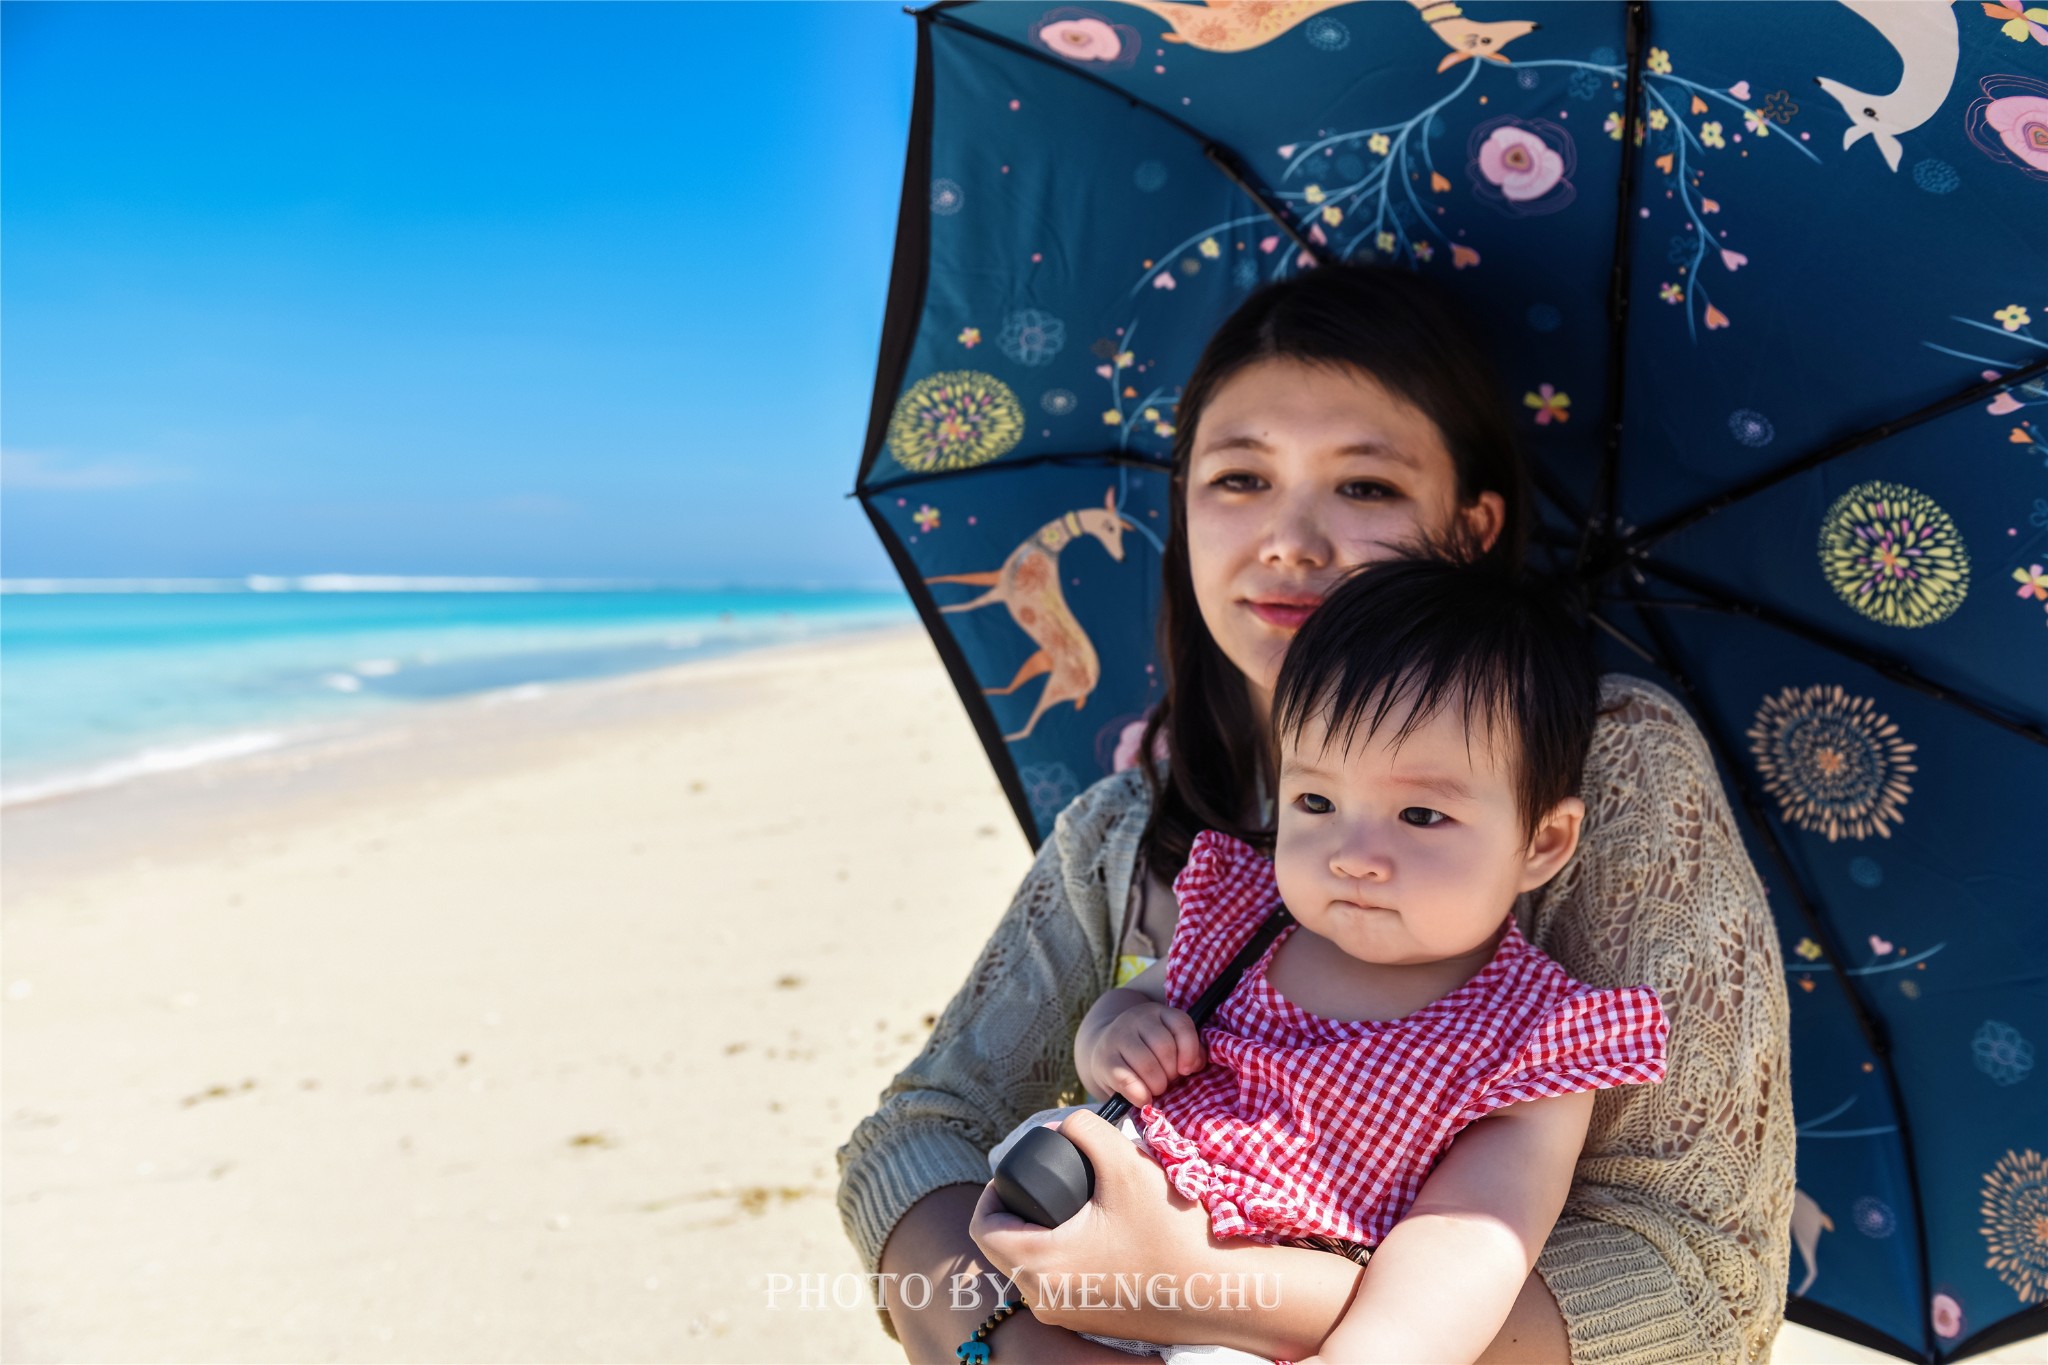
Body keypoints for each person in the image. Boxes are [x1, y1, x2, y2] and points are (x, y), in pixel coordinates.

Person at [837, 264, 1794, 1365]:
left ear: (1472, 528)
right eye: (1236, 479)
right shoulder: (1125, 826)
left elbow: (1704, 1279)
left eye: (1366, 489)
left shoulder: (1606, 763)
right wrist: (1014, 1342)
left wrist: (1210, 1289)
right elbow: (915, 1136)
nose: (1289, 540)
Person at [988, 556, 1670, 1365]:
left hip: (1251, 1310)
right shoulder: (1249, 925)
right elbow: (1138, 1002)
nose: (1353, 854)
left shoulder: (1533, 1038)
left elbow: (1470, 1240)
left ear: (1543, 840)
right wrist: (1114, 1036)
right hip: (1088, 1218)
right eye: (1317, 801)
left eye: (1421, 813)